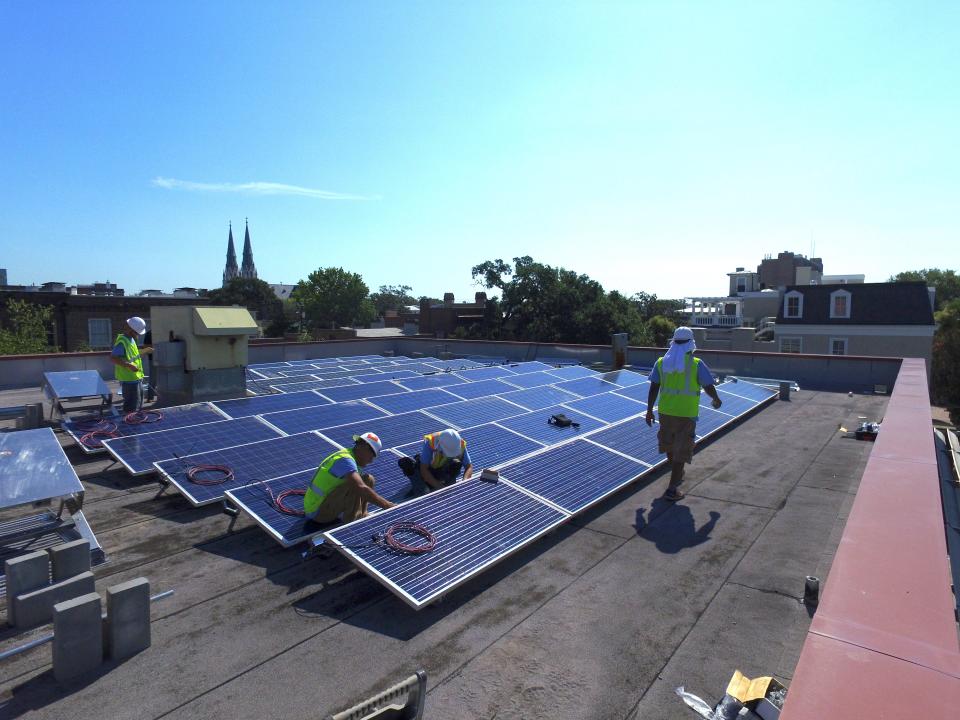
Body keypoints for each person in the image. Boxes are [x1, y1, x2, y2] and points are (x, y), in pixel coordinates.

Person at [645, 326, 722, 501]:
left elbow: (654, 387)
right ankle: (672, 489)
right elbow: (708, 385)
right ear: (691, 343)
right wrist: (716, 399)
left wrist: (649, 410)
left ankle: (676, 475)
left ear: (673, 342)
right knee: (682, 449)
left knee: (671, 447)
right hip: (686, 414)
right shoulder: (696, 363)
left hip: (665, 412)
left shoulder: (661, 362)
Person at [303, 432, 396, 524]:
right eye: (372, 456)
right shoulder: (345, 460)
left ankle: (362, 515)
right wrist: (388, 506)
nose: (371, 461)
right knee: (356, 486)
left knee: (368, 479)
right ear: (364, 447)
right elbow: (361, 488)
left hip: (325, 505)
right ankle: (353, 523)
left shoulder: (351, 457)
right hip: (317, 512)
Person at [406, 428, 473, 497]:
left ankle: (433, 482)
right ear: (441, 445)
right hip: (429, 467)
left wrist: (464, 482)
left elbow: (469, 466)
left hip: (441, 467)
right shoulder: (431, 442)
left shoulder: (459, 443)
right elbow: (424, 469)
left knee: (456, 464)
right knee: (424, 493)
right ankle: (420, 481)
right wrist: (440, 488)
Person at [110, 316, 152, 413]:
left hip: (136, 379)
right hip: (129, 380)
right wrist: (129, 365)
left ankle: (135, 423)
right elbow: (113, 358)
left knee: (138, 405)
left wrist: (144, 351)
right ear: (130, 329)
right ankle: (130, 424)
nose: (138, 334)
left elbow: (132, 356)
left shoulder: (131, 340)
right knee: (131, 408)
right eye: (137, 332)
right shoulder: (122, 341)